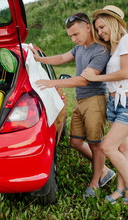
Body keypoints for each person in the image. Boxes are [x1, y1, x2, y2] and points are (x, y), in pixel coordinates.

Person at [29, 12, 114, 197]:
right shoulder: (80, 48)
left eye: (76, 34)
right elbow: (60, 58)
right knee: (75, 142)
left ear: (87, 27)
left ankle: (95, 183)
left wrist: (53, 83)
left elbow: (84, 80)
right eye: (70, 36)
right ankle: (105, 170)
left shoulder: (100, 50)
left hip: (95, 101)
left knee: (95, 145)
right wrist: (40, 59)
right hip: (80, 101)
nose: (74, 39)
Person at [81, 5, 128, 207]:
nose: (100, 32)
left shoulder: (127, 40)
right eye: (98, 29)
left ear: (113, 23)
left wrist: (96, 77)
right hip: (116, 104)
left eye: (102, 27)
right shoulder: (114, 46)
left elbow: (124, 73)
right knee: (122, 147)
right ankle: (120, 189)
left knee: (108, 146)